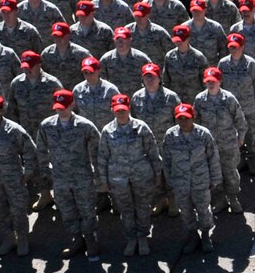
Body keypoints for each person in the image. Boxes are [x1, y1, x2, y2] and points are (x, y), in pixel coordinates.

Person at [0, 93, 41, 257]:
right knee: (0, 210)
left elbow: (29, 151)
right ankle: (8, 238)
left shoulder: (14, 130)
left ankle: (22, 238)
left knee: (18, 210)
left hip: (13, 179)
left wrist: (28, 172)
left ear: (0, 110)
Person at [39, 89, 103, 259]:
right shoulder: (47, 126)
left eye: (64, 107)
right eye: (58, 107)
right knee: (67, 210)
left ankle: (90, 239)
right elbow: (41, 149)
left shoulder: (85, 126)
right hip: (60, 178)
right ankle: (76, 238)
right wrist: (46, 170)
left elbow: (97, 150)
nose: (61, 110)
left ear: (72, 104)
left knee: (87, 209)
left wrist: (99, 174)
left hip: (82, 176)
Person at [96, 94, 162, 257]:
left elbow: (153, 152)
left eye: (123, 110)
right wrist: (103, 181)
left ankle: (143, 237)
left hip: (141, 175)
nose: (120, 113)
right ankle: (131, 238)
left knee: (142, 207)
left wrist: (158, 173)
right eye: (117, 110)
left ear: (129, 109)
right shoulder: (107, 130)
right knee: (125, 209)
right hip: (118, 177)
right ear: (112, 110)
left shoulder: (141, 127)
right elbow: (103, 157)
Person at [194, 67, 255, 215]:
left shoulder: (228, 99)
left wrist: (241, 138)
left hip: (228, 144)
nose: (210, 84)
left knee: (230, 173)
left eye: (213, 81)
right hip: (210, 146)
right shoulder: (200, 100)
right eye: (208, 81)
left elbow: (240, 120)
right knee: (214, 175)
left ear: (220, 81)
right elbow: (196, 123)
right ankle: (220, 200)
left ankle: (233, 198)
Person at [161, 103, 220, 254]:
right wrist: (171, 181)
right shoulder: (170, 136)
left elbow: (213, 157)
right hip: (180, 182)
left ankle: (206, 235)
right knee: (185, 211)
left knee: (203, 209)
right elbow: (166, 161)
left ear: (193, 117)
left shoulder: (203, 134)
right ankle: (193, 236)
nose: (183, 122)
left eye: (186, 118)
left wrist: (215, 179)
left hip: (200, 180)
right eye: (180, 119)